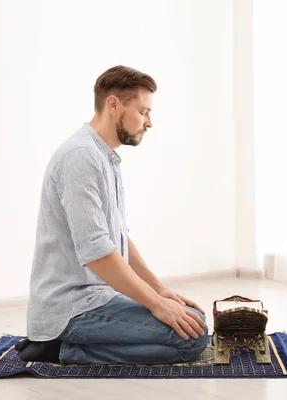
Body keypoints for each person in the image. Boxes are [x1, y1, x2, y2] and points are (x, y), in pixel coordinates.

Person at [16, 66, 208, 365]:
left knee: (192, 319)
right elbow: (97, 253)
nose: (149, 123)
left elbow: (117, 238)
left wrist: (161, 292)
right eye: (143, 112)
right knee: (192, 340)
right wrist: (155, 304)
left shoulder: (104, 157)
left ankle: (65, 343)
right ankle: (57, 348)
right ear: (114, 104)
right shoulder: (80, 157)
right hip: (72, 308)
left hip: (98, 297)